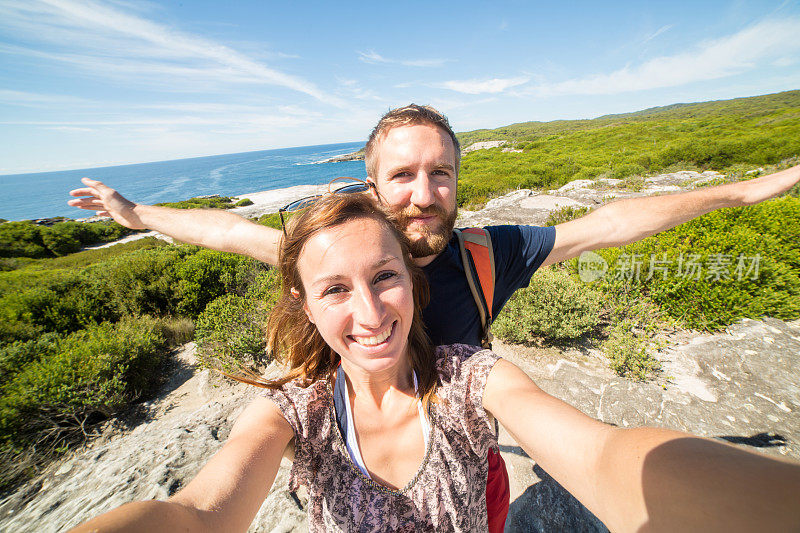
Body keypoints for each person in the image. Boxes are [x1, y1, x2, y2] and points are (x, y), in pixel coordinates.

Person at [68, 105, 800, 529]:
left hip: (465, 457)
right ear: (373, 185)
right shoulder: (315, 297)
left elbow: (610, 223)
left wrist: (751, 190)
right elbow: (228, 232)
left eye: (440, 172)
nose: (423, 193)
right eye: (402, 175)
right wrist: (135, 215)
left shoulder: (486, 262)